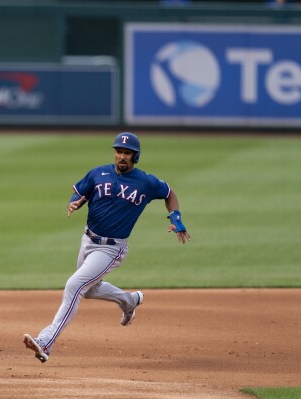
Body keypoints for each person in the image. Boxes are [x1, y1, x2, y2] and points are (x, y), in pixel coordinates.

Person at [23, 132, 191, 363]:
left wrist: (176, 218)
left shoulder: (145, 182)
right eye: (119, 151)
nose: (122, 156)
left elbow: (169, 193)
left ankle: (46, 341)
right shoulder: (98, 173)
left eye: (127, 153)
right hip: (88, 240)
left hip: (112, 249)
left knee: (75, 285)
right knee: (90, 289)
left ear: (135, 156)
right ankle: (129, 301)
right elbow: (81, 191)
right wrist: (76, 201)